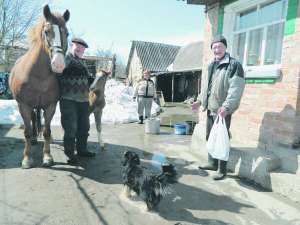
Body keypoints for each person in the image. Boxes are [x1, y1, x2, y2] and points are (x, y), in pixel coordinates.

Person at [191, 35, 245, 180]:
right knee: (211, 136)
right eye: (214, 47)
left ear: (225, 47)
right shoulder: (211, 65)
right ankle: (212, 163)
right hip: (211, 108)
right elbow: (206, 87)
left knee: (222, 138)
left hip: (222, 111)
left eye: (220, 46)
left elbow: (236, 89)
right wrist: (199, 101)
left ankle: (222, 169)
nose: (217, 49)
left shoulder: (234, 65)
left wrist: (226, 107)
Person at [59, 37, 95, 164]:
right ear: (72, 45)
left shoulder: (82, 61)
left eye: (82, 48)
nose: (80, 49)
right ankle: (70, 154)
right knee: (70, 127)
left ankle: (82, 150)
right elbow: (58, 71)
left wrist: (89, 80)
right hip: (69, 99)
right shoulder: (66, 58)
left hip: (83, 100)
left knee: (84, 127)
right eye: (77, 46)